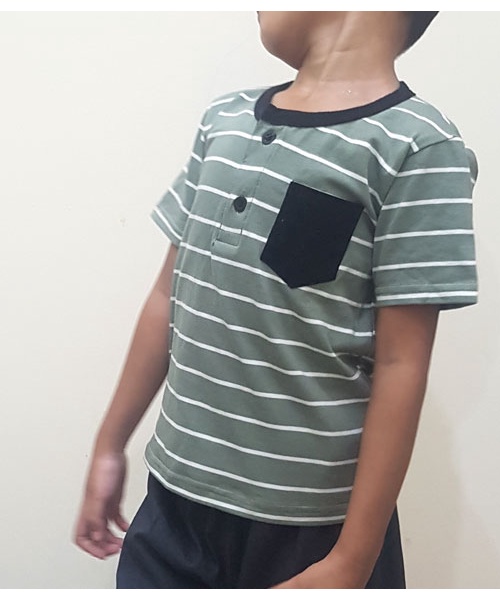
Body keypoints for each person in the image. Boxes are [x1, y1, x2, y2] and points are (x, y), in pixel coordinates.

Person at [73, 11, 478, 589]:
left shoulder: (417, 146)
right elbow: (168, 295)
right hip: (175, 505)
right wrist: (110, 444)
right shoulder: (224, 122)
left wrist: (351, 563)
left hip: (311, 533)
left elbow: (401, 364)